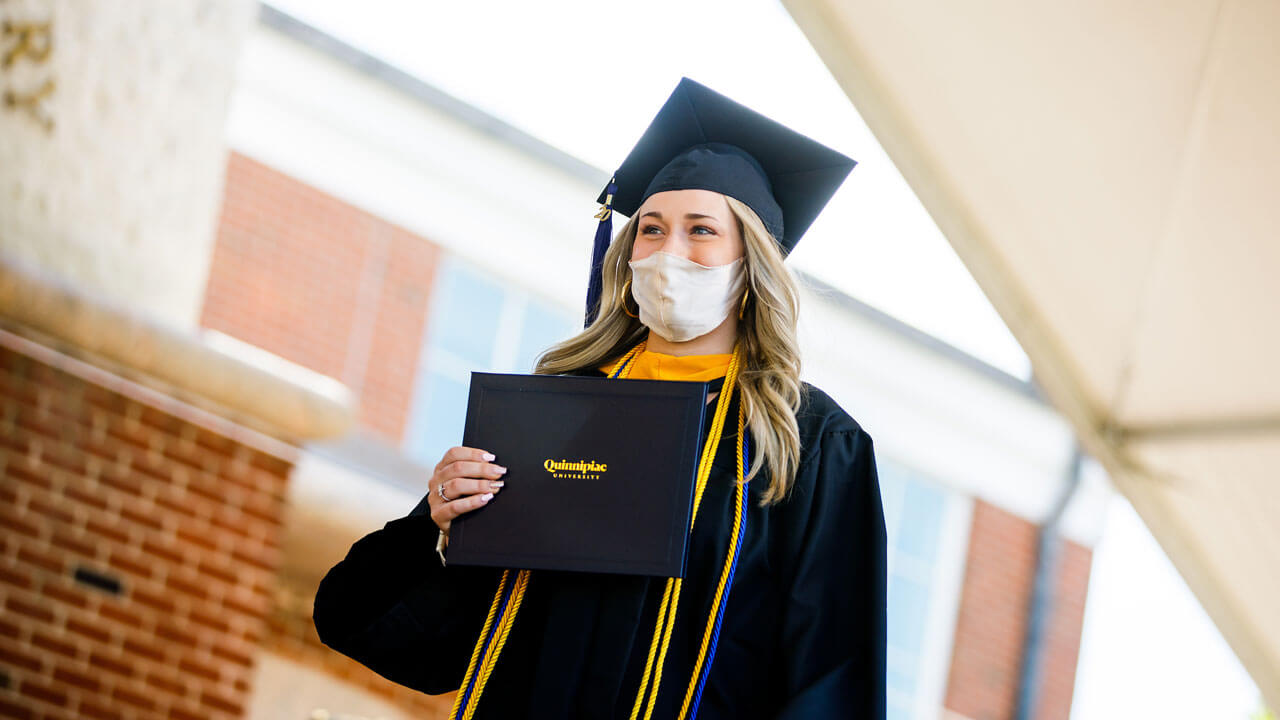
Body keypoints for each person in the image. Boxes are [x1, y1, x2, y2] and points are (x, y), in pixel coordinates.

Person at [312, 77, 887, 719]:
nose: (669, 252)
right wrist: (437, 522)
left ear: (752, 265)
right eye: (651, 229)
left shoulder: (809, 443)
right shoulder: (554, 414)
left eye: (701, 231)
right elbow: (414, 640)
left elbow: (831, 679)